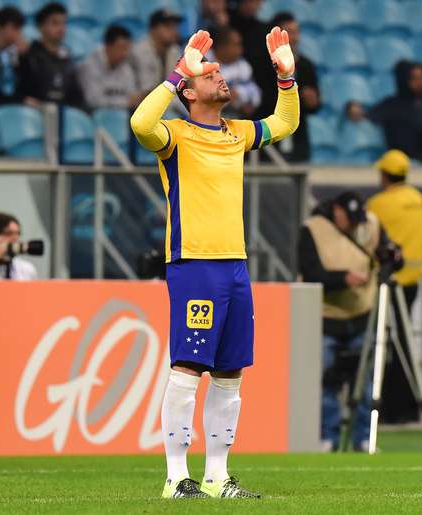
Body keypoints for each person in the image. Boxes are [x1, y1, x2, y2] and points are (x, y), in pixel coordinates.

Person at [130, 28, 298, 498]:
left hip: (235, 266)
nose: (221, 76)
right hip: (194, 263)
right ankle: (175, 477)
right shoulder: (175, 135)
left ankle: (218, 475)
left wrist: (287, 79)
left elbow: (284, 124)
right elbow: (141, 125)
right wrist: (176, 73)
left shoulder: (236, 133)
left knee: (230, 372)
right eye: (211, 73)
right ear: (189, 89)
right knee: (187, 366)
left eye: (221, 71)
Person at [298, 191, 402, 452]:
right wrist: (343, 279)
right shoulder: (313, 229)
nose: (355, 225)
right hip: (325, 316)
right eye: (349, 218)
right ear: (336, 210)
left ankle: (364, 437)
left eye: (359, 219)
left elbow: (386, 256)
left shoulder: (372, 224)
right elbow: (309, 272)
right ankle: (328, 437)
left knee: (365, 381)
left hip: (361, 315)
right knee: (325, 380)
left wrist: (395, 258)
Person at [366, 150, 422, 423]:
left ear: (384, 175)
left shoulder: (378, 204)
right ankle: (406, 407)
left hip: (385, 281)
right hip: (412, 281)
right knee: (404, 343)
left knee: (378, 343)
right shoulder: (418, 199)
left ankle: (381, 407)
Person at [347, 60, 422, 163]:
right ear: (405, 80)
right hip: (399, 161)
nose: (420, 82)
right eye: (414, 79)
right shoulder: (391, 105)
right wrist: (353, 109)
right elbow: (368, 115)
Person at [268, 11, 320, 162]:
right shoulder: (264, 65)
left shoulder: (306, 65)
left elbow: (316, 105)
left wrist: (313, 101)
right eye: (289, 33)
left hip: (299, 138)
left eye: (296, 32)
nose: (294, 38)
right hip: (272, 134)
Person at [16, 2, 83, 107]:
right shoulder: (28, 56)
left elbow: (75, 93)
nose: (61, 28)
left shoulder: (67, 57)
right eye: (55, 23)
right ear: (41, 26)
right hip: (36, 113)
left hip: (64, 114)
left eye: (64, 23)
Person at [130, 9, 185, 115]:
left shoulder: (174, 51)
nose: (174, 31)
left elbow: (178, 85)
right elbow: (147, 91)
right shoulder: (140, 52)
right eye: (168, 26)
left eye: (175, 27)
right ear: (154, 29)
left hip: (167, 104)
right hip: (140, 108)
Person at [228, 0, 275, 120]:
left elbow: (270, 75)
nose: (252, 4)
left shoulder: (265, 31)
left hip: (260, 104)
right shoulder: (225, 24)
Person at [78, 25, 140, 110]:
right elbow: (93, 101)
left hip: (121, 116)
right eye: (121, 48)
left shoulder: (125, 66)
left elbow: (133, 96)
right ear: (108, 46)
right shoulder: (90, 66)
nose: (124, 53)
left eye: (127, 49)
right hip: (92, 116)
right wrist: (125, 102)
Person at [209, 26, 260, 119]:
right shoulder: (203, 64)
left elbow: (255, 93)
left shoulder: (243, 65)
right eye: (236, 44)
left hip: (233, 118)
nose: (241, 49)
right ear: (221, 47)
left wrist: (243, 99)